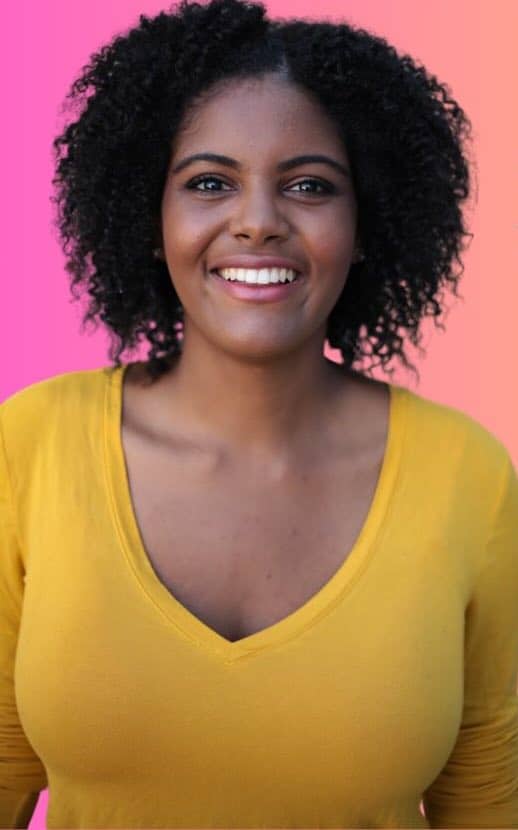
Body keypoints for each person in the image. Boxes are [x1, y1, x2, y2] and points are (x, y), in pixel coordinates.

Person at [1, 0, 517, 826]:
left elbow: (487, 795)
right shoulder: (30, 447)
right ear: (149, 212)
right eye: (209, 183)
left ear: (366, 221)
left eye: (309, 186)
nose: (257, 222)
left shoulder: (468, 475)